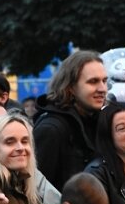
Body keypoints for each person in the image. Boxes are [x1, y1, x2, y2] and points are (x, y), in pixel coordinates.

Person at [34, 50, 108, 189]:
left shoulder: (100, 122)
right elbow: (38, 189)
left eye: (104, 81)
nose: (102, 88)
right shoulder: (51, 129)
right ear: (71, 87)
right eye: (93, 82)